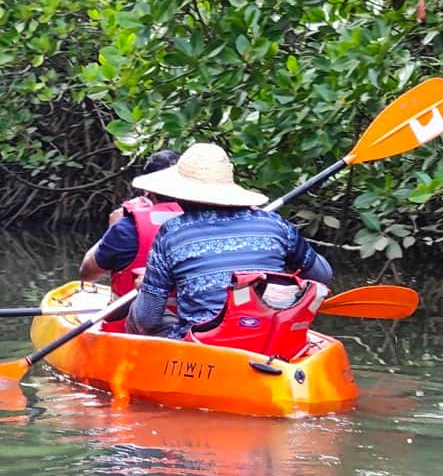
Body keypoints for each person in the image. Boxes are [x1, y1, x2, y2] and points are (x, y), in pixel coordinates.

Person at [126, 143, 332, 339]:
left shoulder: (171, 232)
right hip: (267, 336)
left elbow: (147, 319)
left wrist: (144, 289)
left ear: (179, 195)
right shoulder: (275, 224)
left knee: (137, 315)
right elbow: (322, 275)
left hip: (206, 343)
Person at [79, 150, 182, 332]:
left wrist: (112, 229)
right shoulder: (205, 224)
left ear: (147, 188)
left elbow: (88, 273)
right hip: (193, 326)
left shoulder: (126, 229)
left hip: (131, 329)